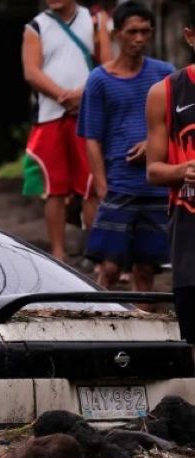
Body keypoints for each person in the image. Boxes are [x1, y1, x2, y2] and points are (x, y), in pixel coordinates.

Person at [78, 1, 174, 300]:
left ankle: (145, 327)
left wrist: (152, 144)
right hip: (119, 184)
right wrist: (101, 185)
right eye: (132, 32)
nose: (139, 38)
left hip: (157, 185)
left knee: (146, 269)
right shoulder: (99, 80)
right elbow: (91, 137)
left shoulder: (165, 74)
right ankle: (99, 321)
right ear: (117, 34)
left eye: (145, 31)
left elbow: (179, 125)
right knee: (108, 267)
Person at [22, 0, 111, 260]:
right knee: (54, 188)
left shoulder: (95, 20)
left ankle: (95, 255)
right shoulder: (35, 26)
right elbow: (31, 72)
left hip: (88, 114)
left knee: (91, 185)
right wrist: (63, 95)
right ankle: (58, 254)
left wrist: (84, 95)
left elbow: (107, 64)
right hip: (50, 115)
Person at [146, 4, 195, 347]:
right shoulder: (165, 92)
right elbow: (153, 169)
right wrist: (183, 170)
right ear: (190, 37)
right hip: (189, 233)